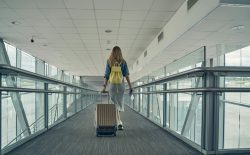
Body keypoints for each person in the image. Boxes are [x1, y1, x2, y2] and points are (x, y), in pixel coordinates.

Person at [102, 46, 132, 130]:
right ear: (120, 52)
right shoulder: (123, 62)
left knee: (114, 103)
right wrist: (130, 86)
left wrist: (104, 87)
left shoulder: (109, 61)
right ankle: (119, 121)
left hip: (112, 86)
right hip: (121, 85)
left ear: (112, 52)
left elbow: (106, 75)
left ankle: (119, 121)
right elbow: (126, 75)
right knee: (118, 103)